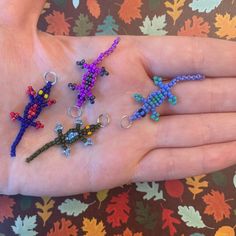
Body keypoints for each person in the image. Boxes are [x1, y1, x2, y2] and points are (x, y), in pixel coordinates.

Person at [0, 0, 236, 196]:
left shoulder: (84, 125)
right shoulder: (73, 122)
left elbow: (75, 121)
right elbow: (74, 111)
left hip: (96, 97)